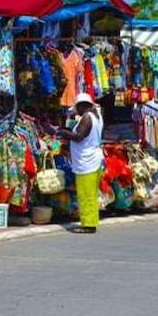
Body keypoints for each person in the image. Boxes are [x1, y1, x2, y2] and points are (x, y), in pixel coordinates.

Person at [58, 92, 105, 234]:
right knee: (90, 194)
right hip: (92, 160)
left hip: (87, 162)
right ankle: (90, 221)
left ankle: (88, 224)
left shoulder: (87, 118)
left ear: (82, 106)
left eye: (77, 108)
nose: (76, 111)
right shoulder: (96, 116)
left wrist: (63, 133)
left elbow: (79, 136)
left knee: (86, 195)